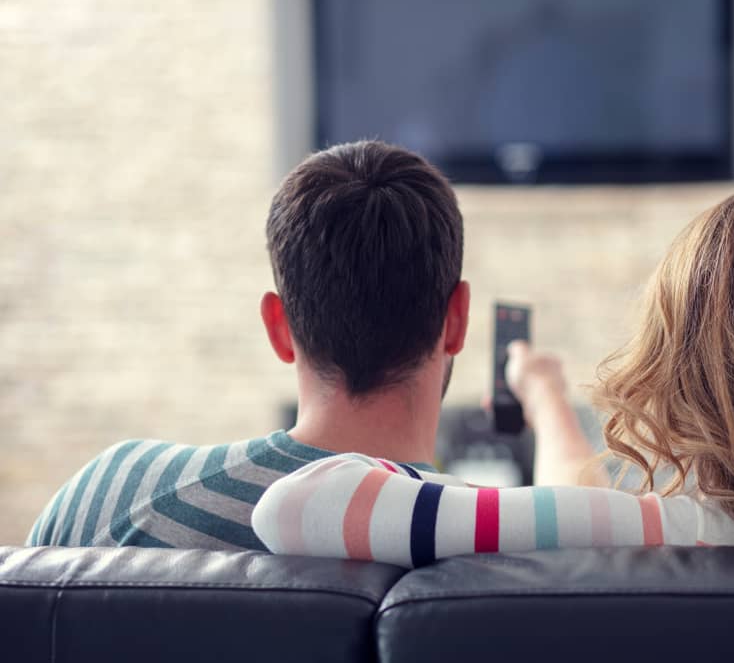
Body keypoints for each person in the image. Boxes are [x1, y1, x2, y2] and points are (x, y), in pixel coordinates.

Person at [251, 181, 734, 567]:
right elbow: (581, 504)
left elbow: (294, 506)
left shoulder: (658, 530)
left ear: (678, 365)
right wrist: (547, 400)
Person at [26, 140, 474, 550]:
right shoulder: (508, 551)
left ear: (277, 327)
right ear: (457, 321)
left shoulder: (112, 494)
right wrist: (546, 401)